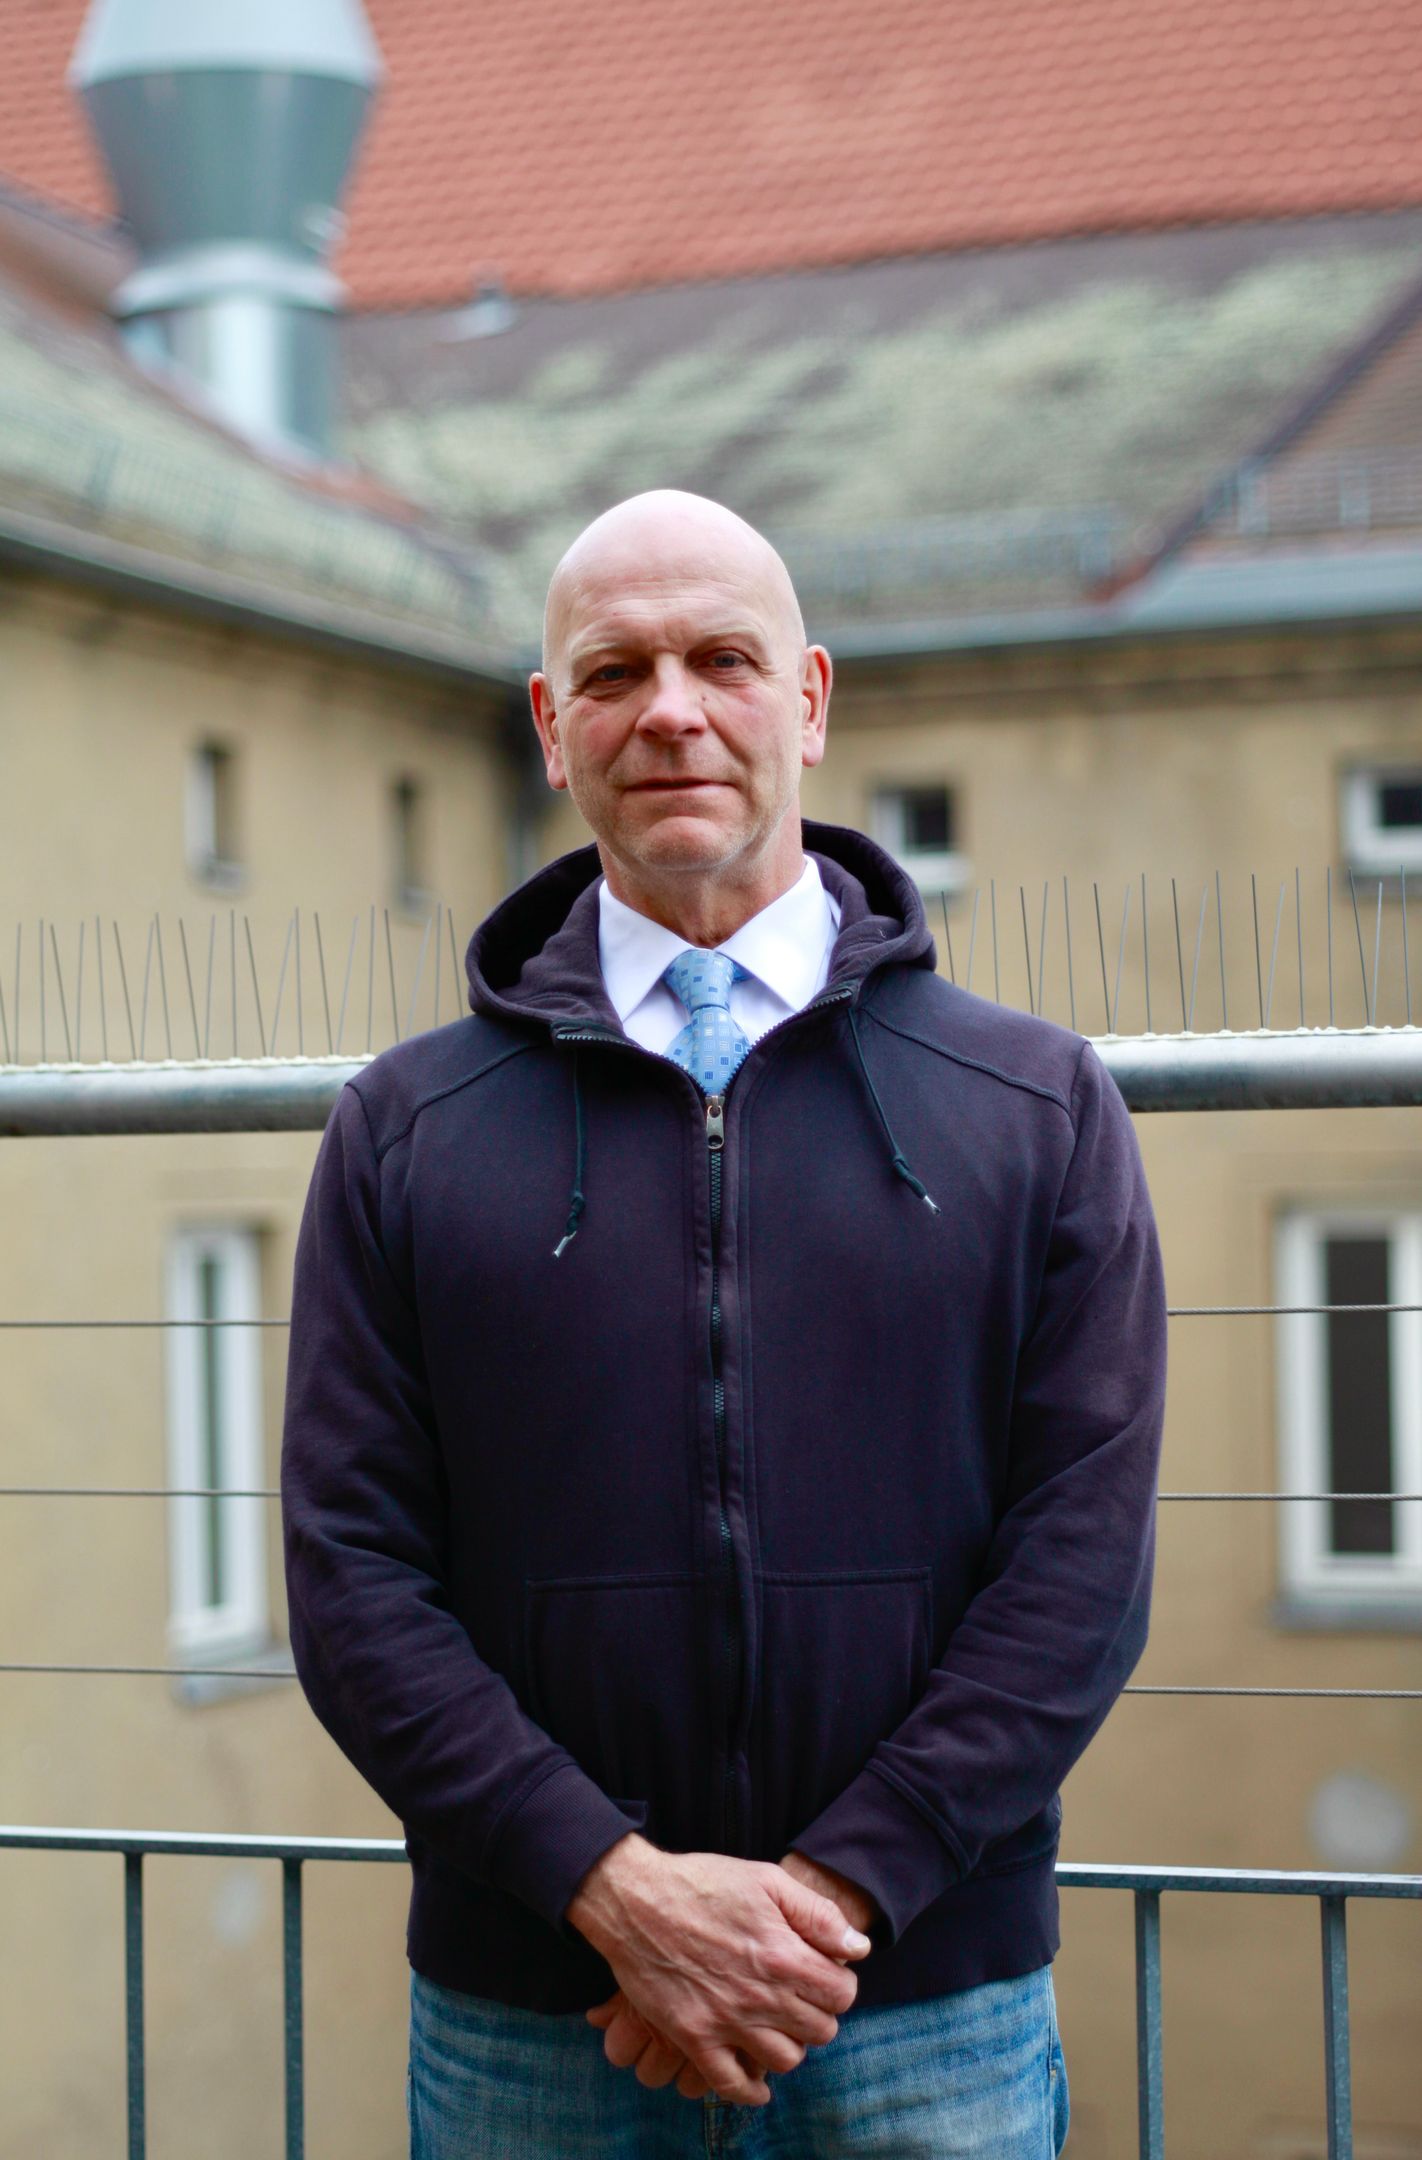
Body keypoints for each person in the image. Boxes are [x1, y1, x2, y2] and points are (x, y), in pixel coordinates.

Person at [280, 488, 1167, 2157]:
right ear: (550, 728)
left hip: (917, 1998)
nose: (670, 711)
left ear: (808, 702)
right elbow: (351, 1577)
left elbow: (1083, 1566)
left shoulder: (1034, 1106)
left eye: (723, 660)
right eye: (613, 673)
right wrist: (612, 1892)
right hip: (538, 2007)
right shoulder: (402, 1130)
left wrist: (822, 1907)